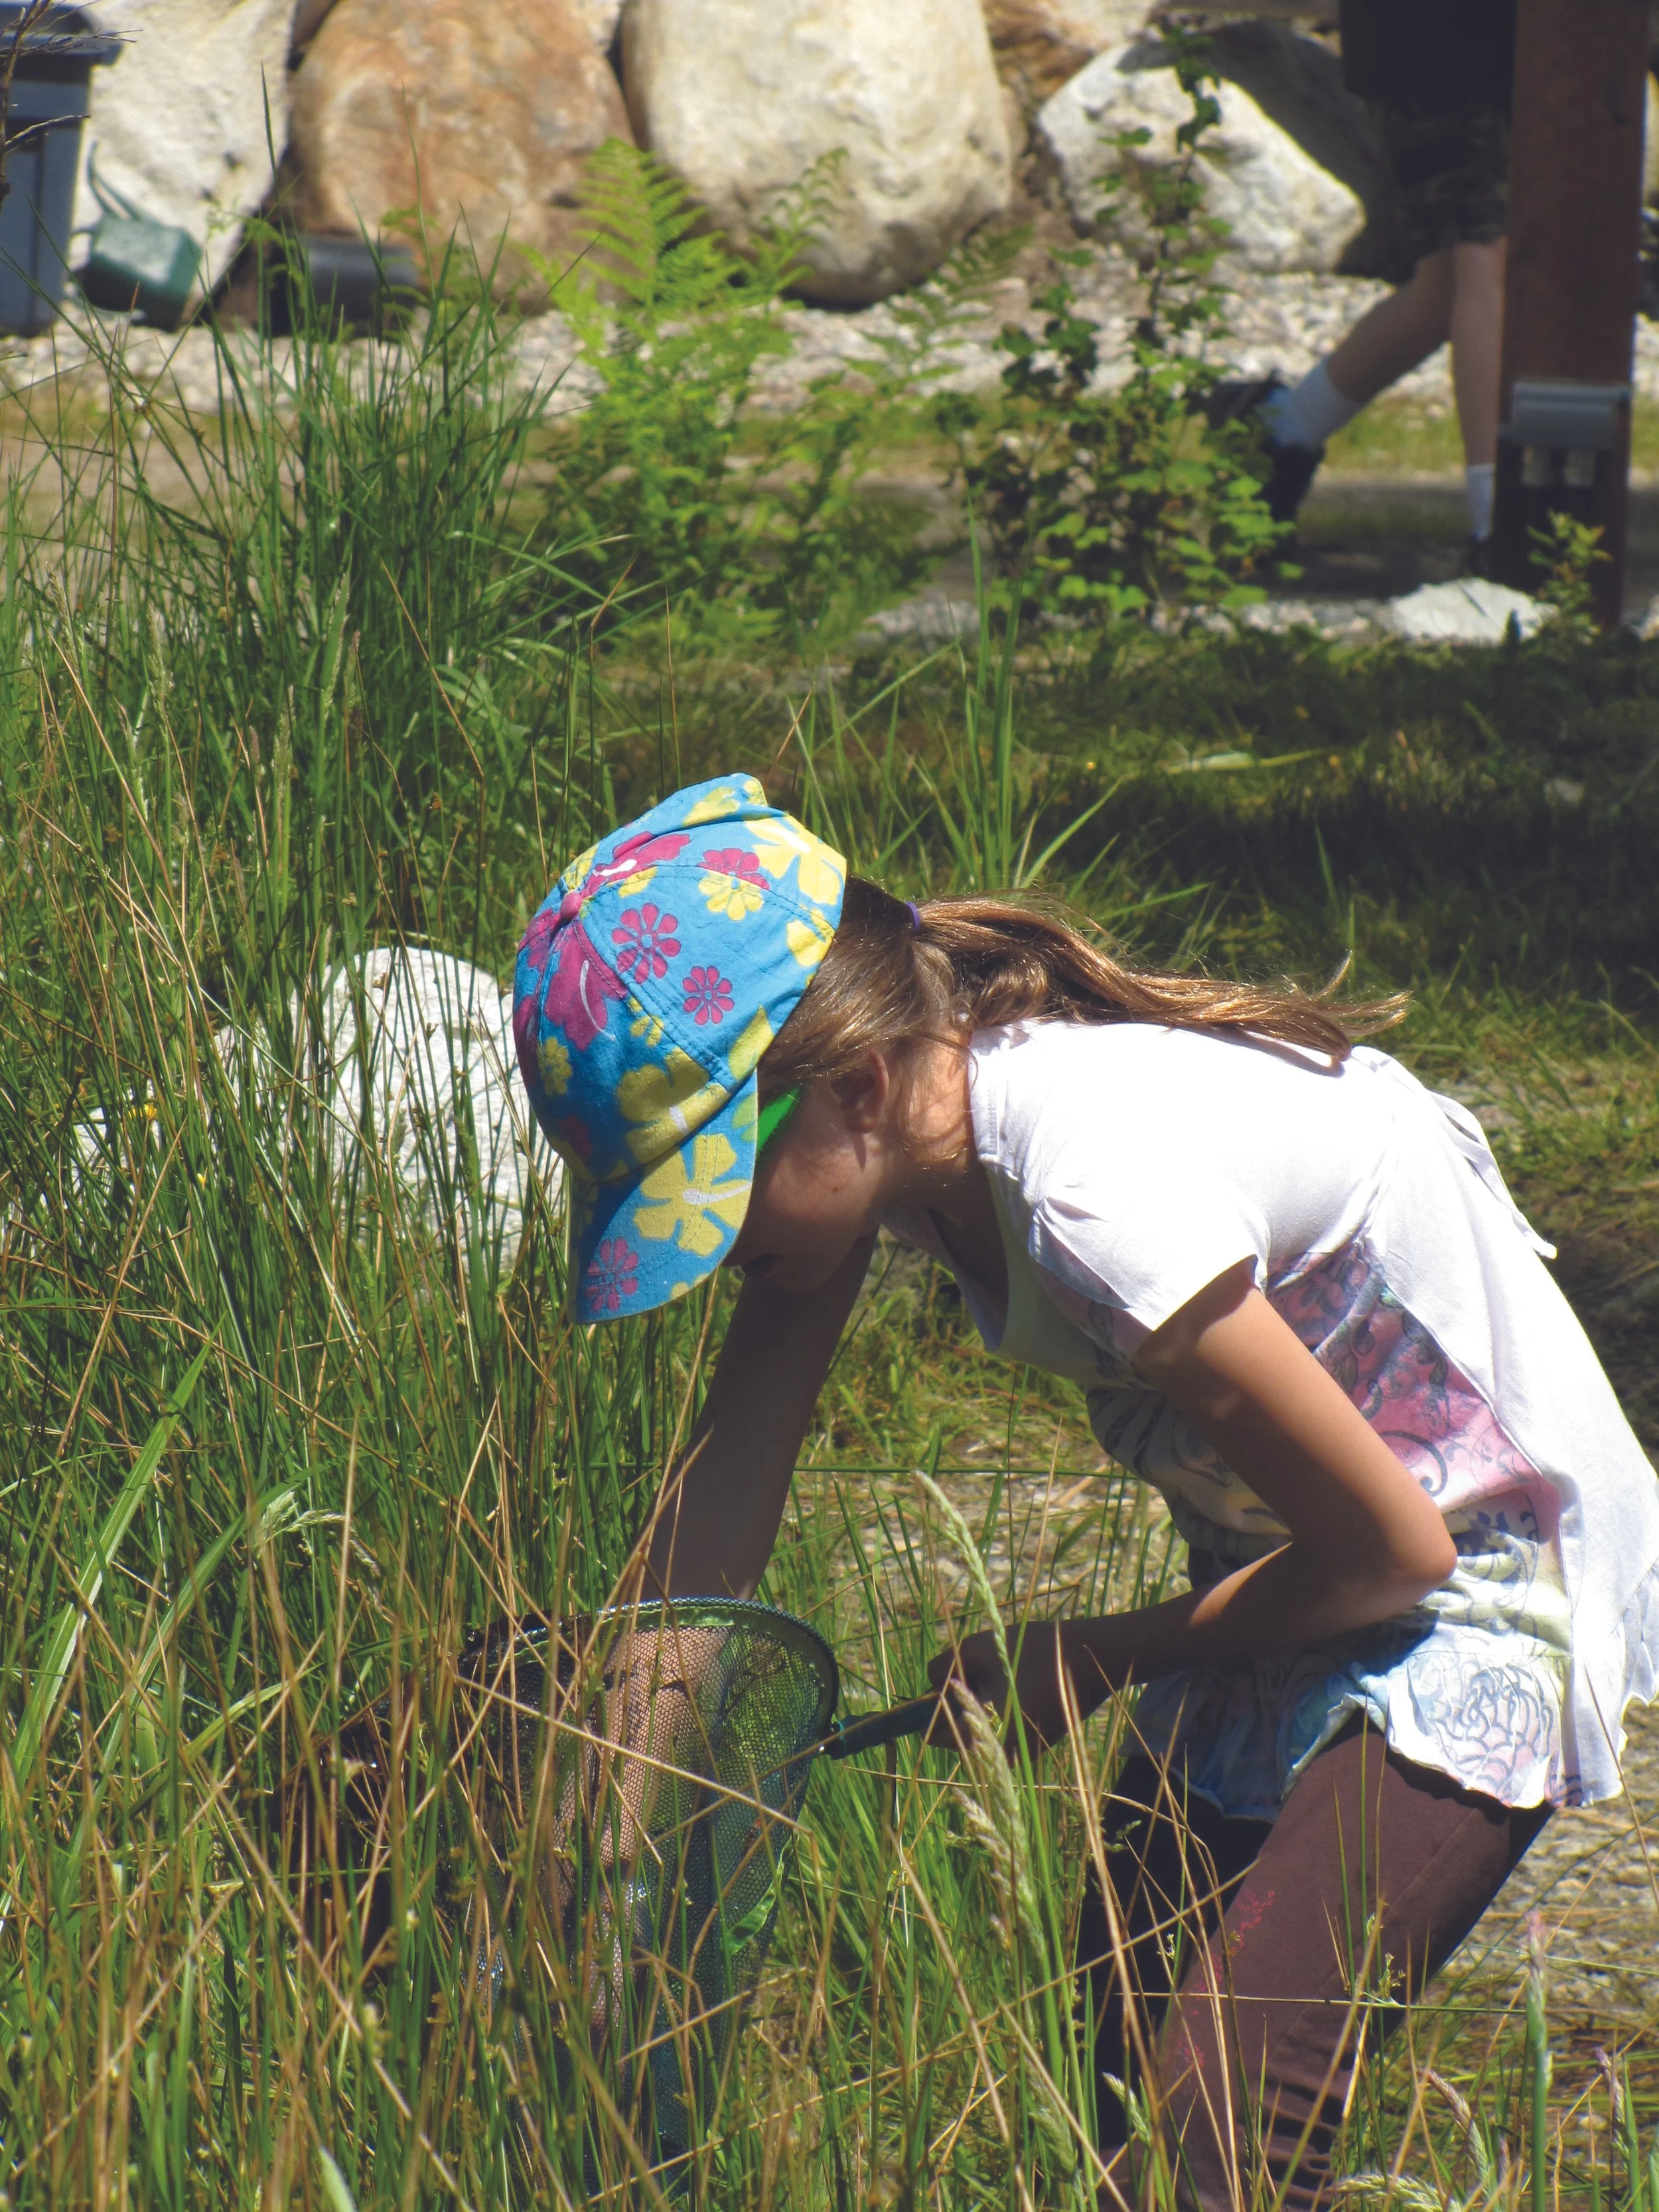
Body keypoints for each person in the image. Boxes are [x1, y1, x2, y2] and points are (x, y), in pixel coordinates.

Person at [513, 774, 1659, 2209]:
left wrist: (1084, 1655)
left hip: (1476, 1579)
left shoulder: (1090, 1195)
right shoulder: (887, 1130)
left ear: (850, 1090)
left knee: (1209, 2144)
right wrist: (605, 1842)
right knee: (1109, 2074)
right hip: (1286, 1559)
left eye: (705, 1182)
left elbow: (1393, 1552)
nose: (702, 1242)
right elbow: (713, 1529)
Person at [1217, 0, 1518, 569]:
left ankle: (1278, 430)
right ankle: (1499, 534)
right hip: (1442, 47)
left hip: (1473, 44)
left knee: (1448, 285)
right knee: (1485, 260)